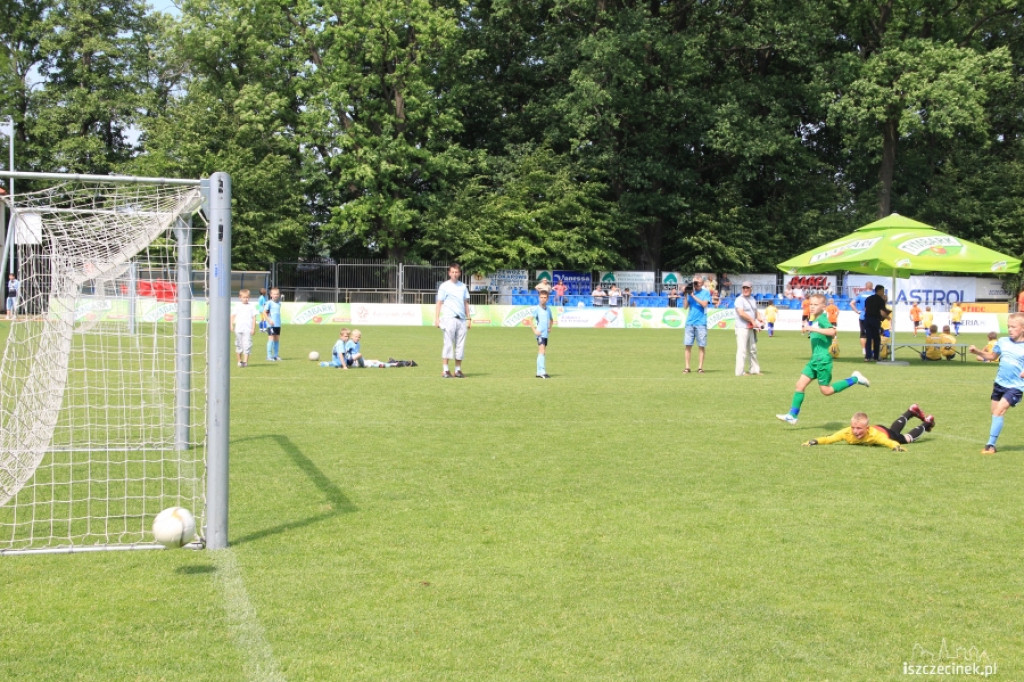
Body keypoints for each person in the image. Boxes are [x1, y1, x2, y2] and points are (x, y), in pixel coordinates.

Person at [776, 294, 871, 424]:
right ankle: (792, 415)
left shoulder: (822, 318)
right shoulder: (815, 319)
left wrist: (811, 328)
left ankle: (855, 379)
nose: (812, 307)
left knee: (826, 391)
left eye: (815, 305)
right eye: (811, 304)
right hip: (814, 360)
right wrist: (808, 328)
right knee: (799, 385)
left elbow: (832, 332)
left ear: (823, 306)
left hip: (823, 360)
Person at [968, 312, 1024, 454]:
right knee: (995, 413)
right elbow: (992, 356)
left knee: (999, 411)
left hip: (1015, 386)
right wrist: (977, 352)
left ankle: (990, 446)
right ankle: (992, 443)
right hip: (999, 384)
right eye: (1008, 327)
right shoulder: (1003, 341)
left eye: (1013, 327)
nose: (1010, 330)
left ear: (1022, 328)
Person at [802, 406, 935, 452]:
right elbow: (829, 439)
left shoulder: (875, 435)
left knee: (905, 439)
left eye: (859, 428)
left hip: (883, 432)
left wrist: (896, 447)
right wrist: (814, 441)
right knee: (894, 430)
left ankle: (926, 423)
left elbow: (888, 442)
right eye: (853, 427)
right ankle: (910, 411)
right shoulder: (847, 432)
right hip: (882, 428)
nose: (855, 431)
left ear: (867, 428)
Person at [435, 263, 471, 378]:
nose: (455, 274)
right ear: (449, 273)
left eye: (457, 272)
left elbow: (466, 303)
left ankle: (458, 370)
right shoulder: (444, 286)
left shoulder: (463, 287)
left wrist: (469, 318)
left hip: (461, 320)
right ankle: (445, 370)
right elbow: (439, 302)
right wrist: (436, 318)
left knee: (460, 345)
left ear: (459, 273)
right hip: (449, 318)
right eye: (453, 272)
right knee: (448, 344)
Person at [682, 275, 715, 374]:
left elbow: (704, 304)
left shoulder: (705, 292)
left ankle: (700, 367)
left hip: (701, 322)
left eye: (698, 282)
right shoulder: (690, 292)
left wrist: (693, 296)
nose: (696, 284)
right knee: (688, 345)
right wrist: (686, 294)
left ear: (702, 283)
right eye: (694, 282)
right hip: (690, 322)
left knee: (701, 345)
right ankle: (687, 367)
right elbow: (685, 307)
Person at [733, 281, 762, 376]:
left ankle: (754, 369)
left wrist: (760, 319)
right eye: (744, 288)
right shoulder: (739, 300)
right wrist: (752, 321)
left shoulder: (752, 299)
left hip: (750, 328)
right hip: (742, 327)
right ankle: (740, 372)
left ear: (751, 289)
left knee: (753, 349)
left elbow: (755, 311)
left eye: (747, 288)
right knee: (742, 350)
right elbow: (741, 313)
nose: (745, 290)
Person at [230, 288, 257, 367]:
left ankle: (245, 362)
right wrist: (231, 324)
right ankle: (239, 361)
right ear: (240, 297)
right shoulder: (237, 306)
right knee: (238, 344)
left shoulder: (252, 306)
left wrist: (253, 328)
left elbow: (254, 318)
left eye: (247, 297)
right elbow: (233, 316)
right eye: (244, 297)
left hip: (247, 329)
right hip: (238, 328)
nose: (246, 299)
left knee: (247, 344)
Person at [862, 284, 889, 362]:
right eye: (883, 291)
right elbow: (882, 312)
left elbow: (865, 309)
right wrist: (888, 317)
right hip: (875, 320)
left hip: (867, 319)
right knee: (876, 339)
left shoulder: (868, 299)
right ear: (879, 291)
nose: (883, 293)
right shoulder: (880, 300)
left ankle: (867, 357)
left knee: (869, 338)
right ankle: (876, 356)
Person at [531, 289, 554, 378]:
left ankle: (538, 372)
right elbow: (530, 320)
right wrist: (535, 331)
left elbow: (551, 320)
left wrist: (549, 328)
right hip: (539, 333)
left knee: (542, 352)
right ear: (539, 298)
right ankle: (542, 371)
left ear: (547, 299)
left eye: (545, 297)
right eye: (541, 297)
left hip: (545, 334)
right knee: (542, 350)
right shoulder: (537, 308)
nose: (543, 299)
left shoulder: (548, 309)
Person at [849, 281, 873, 356]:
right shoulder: (874, 295)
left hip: (863, 316)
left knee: (863, 334)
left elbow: (851, 303)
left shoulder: (861, 294)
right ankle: (870, 349)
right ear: (872, 287)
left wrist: (857, 311)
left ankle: (864, 350)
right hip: (872, 316)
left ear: (865, 287)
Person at [264, 287, 283, 361]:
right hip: (271, 325)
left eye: (277, 294)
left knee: (277, 339)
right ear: (271, 295)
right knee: (271, 339)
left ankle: (276, 355)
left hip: (277, 324)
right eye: (274, 294)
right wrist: (269, 320)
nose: (276, 295)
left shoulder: (279, 303)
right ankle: (269, 356)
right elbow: (264, 313)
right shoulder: (269, 303)